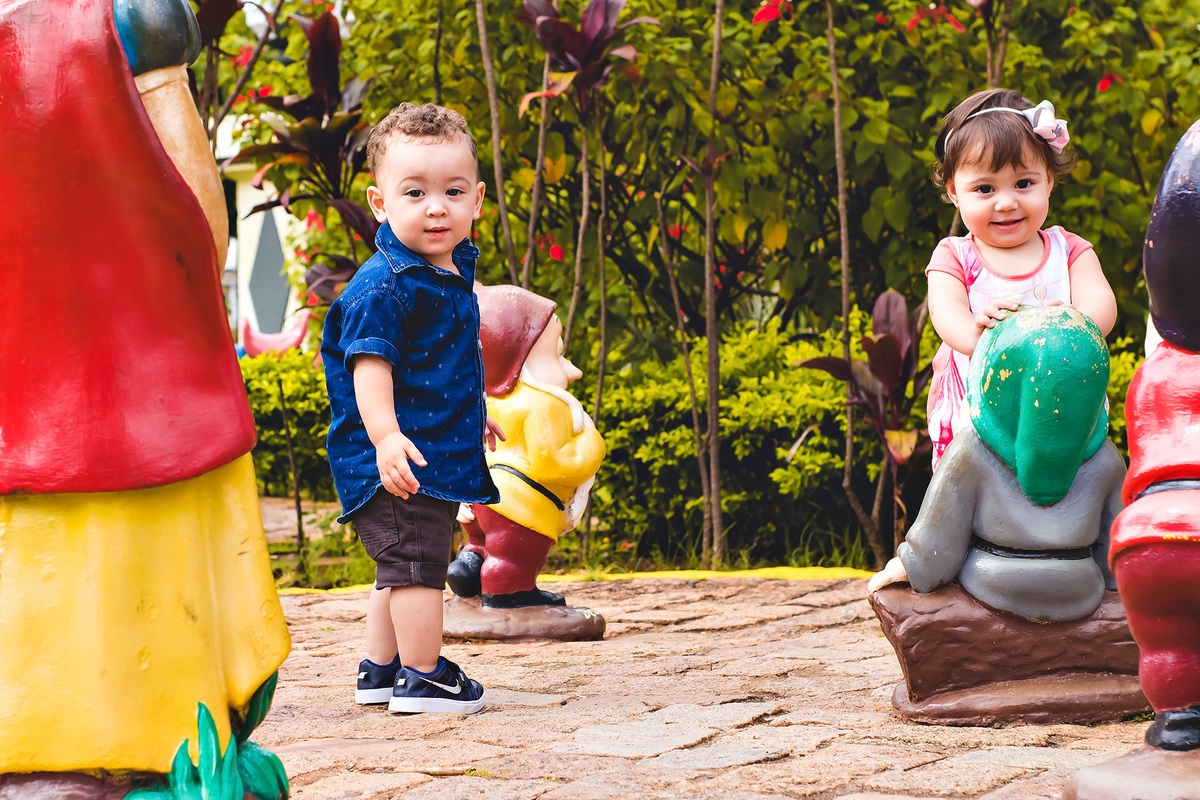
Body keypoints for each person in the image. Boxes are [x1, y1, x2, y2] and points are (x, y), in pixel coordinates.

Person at [0, 0, 290, 790]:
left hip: (46, 375)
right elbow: (198, 213)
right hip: (130, 373)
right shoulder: (129, 21)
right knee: (141, 573)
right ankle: (133, 746)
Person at [321, 103, 503, 714]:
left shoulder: (446, 271)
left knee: (399, 564)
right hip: (397, 455)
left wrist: (476, 416)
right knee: (419, 567)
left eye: (452, 192)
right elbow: (370, 367)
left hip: (426, 445)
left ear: (476, 200)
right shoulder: (385, 285)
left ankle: (382, 669)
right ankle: (424, 677)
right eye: (415, 192)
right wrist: (385, 438)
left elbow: (447, 367)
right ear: (379, 202)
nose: (435, 207)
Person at [924, 88, 1117, 469]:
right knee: (971, 475)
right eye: (984, 189)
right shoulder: (956, 255)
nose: (1007, 202)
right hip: (981, 403)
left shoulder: (1069, 250)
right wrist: (973, 334)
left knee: (1079, 469)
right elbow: (944, 310)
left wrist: (1079, 322)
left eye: (1023, 184)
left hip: (1059, 401)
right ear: (954, 193)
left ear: (1049, 180)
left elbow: (1101, 300)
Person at [448, 284, 607, 610]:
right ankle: (508, 589)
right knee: (516, 553)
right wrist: (592, 444)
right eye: (557, 355)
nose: (573, 371)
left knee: (481, 542)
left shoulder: (484, 403)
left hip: (479, 498)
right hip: (518, 507)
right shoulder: (542, 406)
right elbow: (555, 463)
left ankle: (470, 568)